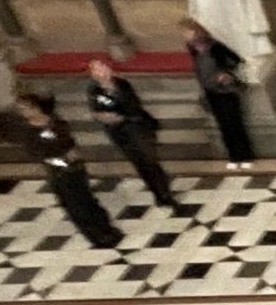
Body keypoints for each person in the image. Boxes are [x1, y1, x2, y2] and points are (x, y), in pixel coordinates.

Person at [12, 94, 121, 249]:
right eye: (21, 109)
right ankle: (97, 237)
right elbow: (40, 155)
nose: (24, 112)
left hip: (76, 168)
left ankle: (107, 229)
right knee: (76, 207)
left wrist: (73, 153)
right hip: (59, 173)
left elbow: (68, 139)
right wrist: (63, 160)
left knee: (88, 201)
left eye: (27, 108)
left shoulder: (55, 121)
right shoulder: (28, 132)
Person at [84, 58, 176, 210]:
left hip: (137, 126)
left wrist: (114, 94)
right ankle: (159, 192)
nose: (103, 71)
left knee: (149, 159)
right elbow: (96, 111)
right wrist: (107, 116)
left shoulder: (121, 83)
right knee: (140, 163)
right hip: (120, 132)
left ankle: (163, 191)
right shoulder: (94, 90)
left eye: (103, 67)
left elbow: (133, 105)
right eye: (97, 69)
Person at [182, 19, 254, 167]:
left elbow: (236, 60)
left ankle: (246, 155)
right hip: (211, 91)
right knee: (223, 125)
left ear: (197, 32)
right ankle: (234, 156)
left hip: (226, 90)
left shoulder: (215, 47)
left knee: (235, 123)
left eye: (187, 31)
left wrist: (225, 73)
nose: (186, 35)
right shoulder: (193, 49)